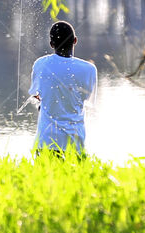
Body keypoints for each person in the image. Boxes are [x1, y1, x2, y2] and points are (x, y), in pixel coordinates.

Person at [28, 21, 97, 155]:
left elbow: (37, 95)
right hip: (75, 145)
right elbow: (86, 100)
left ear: (51, 44)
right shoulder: (89, 69)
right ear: (75, 41)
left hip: (45, 143)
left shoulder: (40, 64)